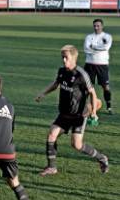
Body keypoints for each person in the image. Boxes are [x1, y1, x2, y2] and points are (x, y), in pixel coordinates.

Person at [36, 45, 109, 176]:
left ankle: (101, 158)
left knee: (77, 145)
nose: (64, 60)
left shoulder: (81, 75)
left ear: (74, 58)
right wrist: (43, 93)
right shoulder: (62, 71)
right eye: (62, 57)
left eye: (66, 57)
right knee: (51, 135)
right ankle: (51, 167)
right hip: (64, 114)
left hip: (78, 116)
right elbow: (55, 84)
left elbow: (92, 93)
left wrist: (93, 113)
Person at [84, 18, 113, 114]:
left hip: (102, 65)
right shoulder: (89, 37)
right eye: (95, 26)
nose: (96, 27)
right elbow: (86, 50)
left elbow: (106, 47)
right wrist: (98, 49)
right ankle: (83, 106)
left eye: (98, 26)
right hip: (89, 65)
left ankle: (109, 107)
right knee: (87, 87)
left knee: (106, 87)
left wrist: (94, 47)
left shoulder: (107, 36)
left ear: (102, 26)